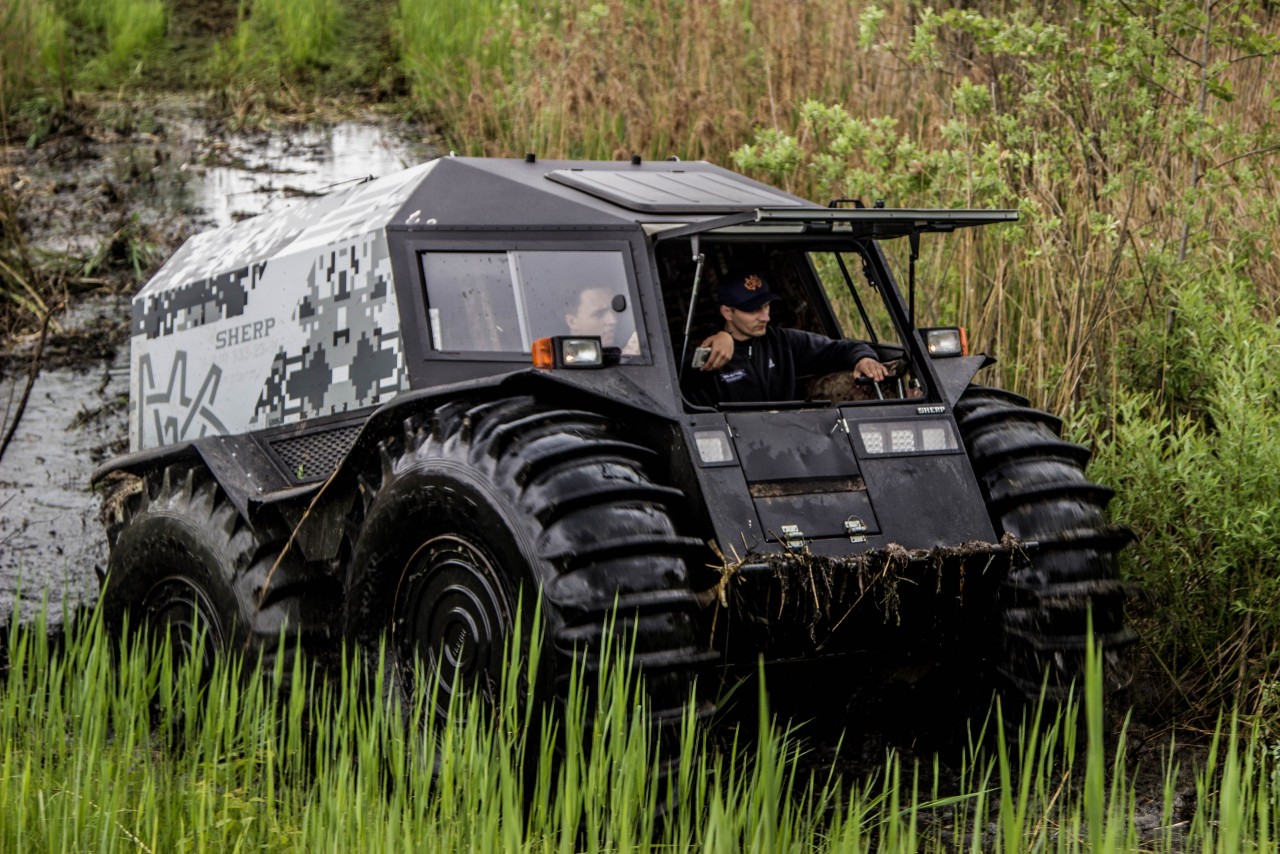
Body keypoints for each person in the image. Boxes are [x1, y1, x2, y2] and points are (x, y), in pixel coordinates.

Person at [687, 271, 889, 405]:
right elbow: (680, 384)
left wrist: (864, 358)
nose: (766, 317)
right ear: (727, 313)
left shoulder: (782, 341)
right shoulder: (707, 353)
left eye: (767, 306)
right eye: (754, 310)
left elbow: (840, 348)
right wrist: (721, 338)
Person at [564, 286, 639, 355]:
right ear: (572, 322)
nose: (613, 320)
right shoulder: (557, 364)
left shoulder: (633, 344)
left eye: (614, 311)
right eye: (599, 314)